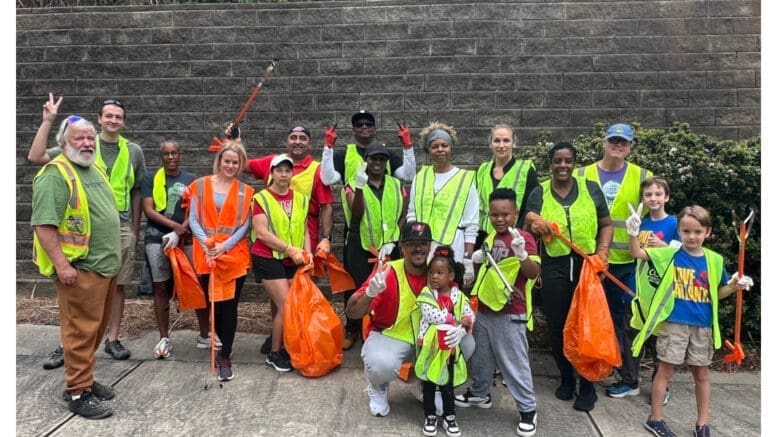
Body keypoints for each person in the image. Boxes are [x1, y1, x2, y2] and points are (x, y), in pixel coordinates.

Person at [28, 94, 146, 362]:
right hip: (85, 234)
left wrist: (135, 228)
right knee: (79, 294)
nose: (114, 120)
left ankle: (111, 339)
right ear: (100, 119)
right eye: (109, 115)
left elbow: (137, 190)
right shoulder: (77, 149)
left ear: (124, 122)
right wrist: (48, 121)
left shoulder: (134, 151)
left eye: (118, 116)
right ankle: (69, 343)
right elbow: (36, 156)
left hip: (121, 229)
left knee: (115, 287)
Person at [626, 205, 753, 437]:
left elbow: (717, 291)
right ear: (679, 231)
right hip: (673, 323)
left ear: (708, 232)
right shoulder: (669, 253)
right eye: (686, 231)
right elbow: (637, 253)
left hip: (702, 326)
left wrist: (734, 286)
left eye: (697, 231)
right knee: (665, 371)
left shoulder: (715, 260)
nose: (692, 236)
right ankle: (655, 419)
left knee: (702, 375)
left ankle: (702, 424)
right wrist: (633, 233)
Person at [31, 114, 120, 419]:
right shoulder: (56, 174)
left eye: (88, 137)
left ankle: (86, 378)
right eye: (78, 137)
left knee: (93, 332)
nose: (85, 143)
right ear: (63, 143)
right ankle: (77, 392)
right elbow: (44, 226)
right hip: (80, 270)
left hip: (105, 267)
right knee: (80, 332)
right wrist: (63, 266)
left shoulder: (92, 166)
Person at [345, 222, 475, 418]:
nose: (418, 248)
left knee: (467, 343)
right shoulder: (388, 271)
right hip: (391, 336)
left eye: (423, 243)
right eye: (412, 242)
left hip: (427, 340)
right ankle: (378, 386)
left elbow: (460, 307)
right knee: (380, 363)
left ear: (430, 246)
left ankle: (428, 382)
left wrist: (462, 328)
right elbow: (353, 312)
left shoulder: (439, 271)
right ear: (402, 247)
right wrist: (370, 294)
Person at [524, 142, 613, 412]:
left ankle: (587, 386)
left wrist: (602, 251)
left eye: (568, 161)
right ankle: (566, 378)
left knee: (587, 325)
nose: (562, 166)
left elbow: (606, 224)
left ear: (575, 163)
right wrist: (534, 221)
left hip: (587, 264)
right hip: (554, 266)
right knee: (558, 325)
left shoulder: (590, 189)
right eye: (557, 161)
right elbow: (527, 219)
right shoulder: (540, 191)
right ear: (550, 163)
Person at [575, 123, 653, 400]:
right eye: (614, 141)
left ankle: (628, 377)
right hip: (590, 260)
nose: (618, 146)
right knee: (592, 317)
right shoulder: (581, 174)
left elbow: (655, 215)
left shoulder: (643, 176)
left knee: (627, 320)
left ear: (630, 146)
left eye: (624, 142)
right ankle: (592, 368)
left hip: (628, 263)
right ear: (604, 143)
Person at [455, 188, 541, 437]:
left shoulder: (523, 237)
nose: (500, 219)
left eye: (505, 214)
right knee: (481, 357)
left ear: (515, 213)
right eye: (494, 214)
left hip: (510, 311)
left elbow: (533, 272)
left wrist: (522, 253)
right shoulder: (491, 238)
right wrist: (479, 260)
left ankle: (528, 409)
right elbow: (489, 270)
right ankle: (480, 394)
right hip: (485, 308)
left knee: (514, 362)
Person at [240, 125, 334, 354]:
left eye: (303, 138)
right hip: (274, 246)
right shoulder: (271, 164)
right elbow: (241, 163)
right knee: (279, 298)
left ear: (309, 144)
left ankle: (298, 337)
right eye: (293, 137)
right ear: (286, 141)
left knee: (300, 295)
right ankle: (279, 338)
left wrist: (324, 238)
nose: (298, 141)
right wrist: (235, 141)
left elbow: (326, 206)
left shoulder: (316, 169)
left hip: (303, 243)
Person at [141, 140, 215, 359]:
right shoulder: (150, 178)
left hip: (188, 240)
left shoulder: (191, 180)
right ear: (161, 156)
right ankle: (164, 337)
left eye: (174, 153)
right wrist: (172, 228)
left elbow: (196, 210)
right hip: (157, 238)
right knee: (161, 286)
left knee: (197, 283)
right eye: (166, 154)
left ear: (180, 155)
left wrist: (180, 231)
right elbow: (148, 208)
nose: (171, 157)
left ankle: (205, 334)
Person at [188, 141, 254, 382]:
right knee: (212, 302)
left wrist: (224, 246)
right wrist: (207, 243)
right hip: (207, 254)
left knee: (229, 307)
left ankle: (225, 353)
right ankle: (219, 341)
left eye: (235, 162)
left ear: (240, 165)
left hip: (234, 256)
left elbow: (244, 225)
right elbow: (193, 218)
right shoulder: (200, 185)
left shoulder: (246, 191)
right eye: (227, 161)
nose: (230, 165)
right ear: (219, 161)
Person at [612, 176, 680, 404]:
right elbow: (635, 253)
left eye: (658, 194)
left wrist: (662, 246)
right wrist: (633, 232)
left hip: (661, 295)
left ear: (667, 197)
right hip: (637, 291)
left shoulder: (675, 224)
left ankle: (661, 386)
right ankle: (629, 381)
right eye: (648, 194)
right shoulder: (640, 222)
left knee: (660, 343)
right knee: (631, 337)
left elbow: (683, 255)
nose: (653, 198)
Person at [340, 143, 408, 350]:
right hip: (361, 246)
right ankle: (352, 328)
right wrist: (360, 188)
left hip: (390, 247)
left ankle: (382, 328)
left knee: (388, 288)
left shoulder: (396, 184)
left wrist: (394, 238)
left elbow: (403, 214)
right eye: (373, 159)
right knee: (358, 287)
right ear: (366, 161)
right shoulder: (353, 183)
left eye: (381, 159)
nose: (377, 163)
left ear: (386, 163)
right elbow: (357, 212)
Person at [251, 154, 312, 372]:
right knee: (286, 305)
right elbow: (262, 233)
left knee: (283, 306)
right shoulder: (261, 199)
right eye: (279, 170)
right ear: (272, 173)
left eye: (288, 170)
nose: (284, 174)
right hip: (268, 257)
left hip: (293, 259)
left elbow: (304, 228)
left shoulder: (301, 198)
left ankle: (283, 345)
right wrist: (289, 249)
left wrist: (308, 254)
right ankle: (274, 353)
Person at [407, 121, 479, 289]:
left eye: (444, 145)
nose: (440, 149)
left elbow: (472, 223)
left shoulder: (465, 179)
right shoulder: (421, 177)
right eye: (434, 146)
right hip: (422, 248)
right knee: (422, 295)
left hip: (453, 248)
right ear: (428, 150)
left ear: (451, 148)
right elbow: (412, 213)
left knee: (449, 296)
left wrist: (468, 258)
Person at [415, 245, 474, 437]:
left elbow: (468, 312)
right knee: (429, 382)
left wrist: (465, 321)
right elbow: (429, 313)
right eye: (431, 272)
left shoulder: (458, 296)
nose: (434, 277)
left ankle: (450, 416)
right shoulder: (427, 293)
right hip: (431, 347)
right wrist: (451, 319)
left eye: (440, 273)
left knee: (447, 384)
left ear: (451, 276)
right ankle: (430, 415)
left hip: (449, 348)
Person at [319, 109, 417, 186]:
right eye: (359, 125)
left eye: (368, 124)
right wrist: (328, 148)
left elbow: (408, 176)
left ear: (374, 130)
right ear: (353, 130)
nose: (364, 126)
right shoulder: (343, 154)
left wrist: (408, 147)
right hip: (356, 209)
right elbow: (327, 180)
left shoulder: (387, 154)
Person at [474, 125, 538, 236]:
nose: (501, 145)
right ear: (490, 144)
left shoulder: (526, 170)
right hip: (484, 237)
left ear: (514, 143)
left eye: (506, 141)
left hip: (514, 237)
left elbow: (529, 209)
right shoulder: (482, 170)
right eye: (497, 141)